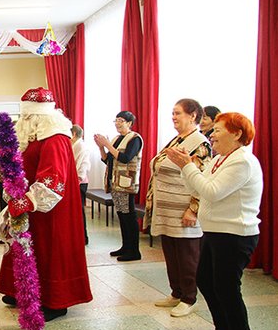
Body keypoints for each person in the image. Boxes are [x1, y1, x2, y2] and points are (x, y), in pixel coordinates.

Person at [166, 112, 262, 330]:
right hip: (216, 232)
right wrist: (187, 169)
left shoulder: (242, 162)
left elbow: (212, 191)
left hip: (234, 235)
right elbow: (197, 188)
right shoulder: (221, 159)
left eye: (218, 130)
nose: (212, 135)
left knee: (228, 289)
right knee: (206, 281)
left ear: (237, 134)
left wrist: (187, 166)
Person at [0, 87, 92, 321]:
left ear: (38, 117)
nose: (23, 120)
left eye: (27, 116)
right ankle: (20, 290)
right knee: (24, 246)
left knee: (50, 251)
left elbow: (53, 179)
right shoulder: (33, 136)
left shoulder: (55, 137)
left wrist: (27, 201)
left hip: (51, 212)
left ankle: (55, 301)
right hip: (31, 208)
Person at [144, 98, 212, 317]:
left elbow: (202, 177)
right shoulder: (177, 139)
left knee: (187, 256)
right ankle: (176, 292)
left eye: (178, 113)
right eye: (172, 113)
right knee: (172, 254)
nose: (173, 117)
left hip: (184, 209)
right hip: (167, 209)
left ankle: (189, 298)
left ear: (193, 116)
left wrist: (193, 209)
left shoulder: (199, 143)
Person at [94, 112, 143, 261]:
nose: (117, 123)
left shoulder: (135, 138)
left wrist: (107, 144)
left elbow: (125, 158)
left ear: (129, 123)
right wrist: (101, 147)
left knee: (129, 216)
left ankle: (134, 250)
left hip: (126, 183)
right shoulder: (117, 138)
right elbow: (107, 160)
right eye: (116, 120)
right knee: (121, 215)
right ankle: (125, 246)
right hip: (115, 182)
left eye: (121, 121)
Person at [71, 124, 91, 245]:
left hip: (79, 181)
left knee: (79, 210)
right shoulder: (75, 145)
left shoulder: (80, 146)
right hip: (76, 181)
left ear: (73, 134)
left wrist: (77, 180)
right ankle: (78, 236)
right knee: (76, 210)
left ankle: (83, 237)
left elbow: (82, 166)